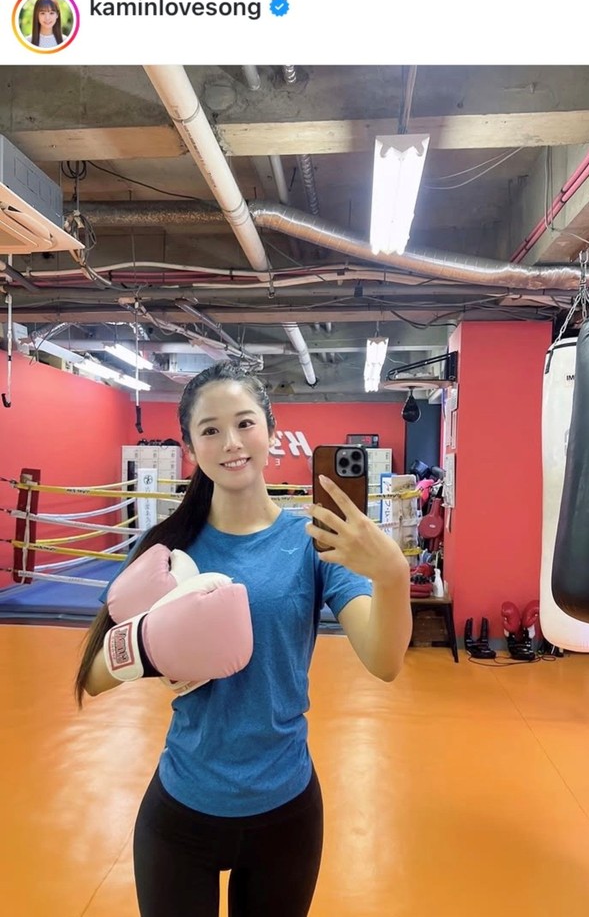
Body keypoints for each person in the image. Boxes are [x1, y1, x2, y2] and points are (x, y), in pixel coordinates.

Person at [74, 361, 412, 917]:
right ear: (190, 448)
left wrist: (393, 575)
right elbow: (90, 677)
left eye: (245, 423)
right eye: (210, 430)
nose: (231, 442)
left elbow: (384, 661)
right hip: (183, 808)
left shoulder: (313, 542)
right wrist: (152, 645)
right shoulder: (165, 546)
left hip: (285, 810)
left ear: (271, 433)